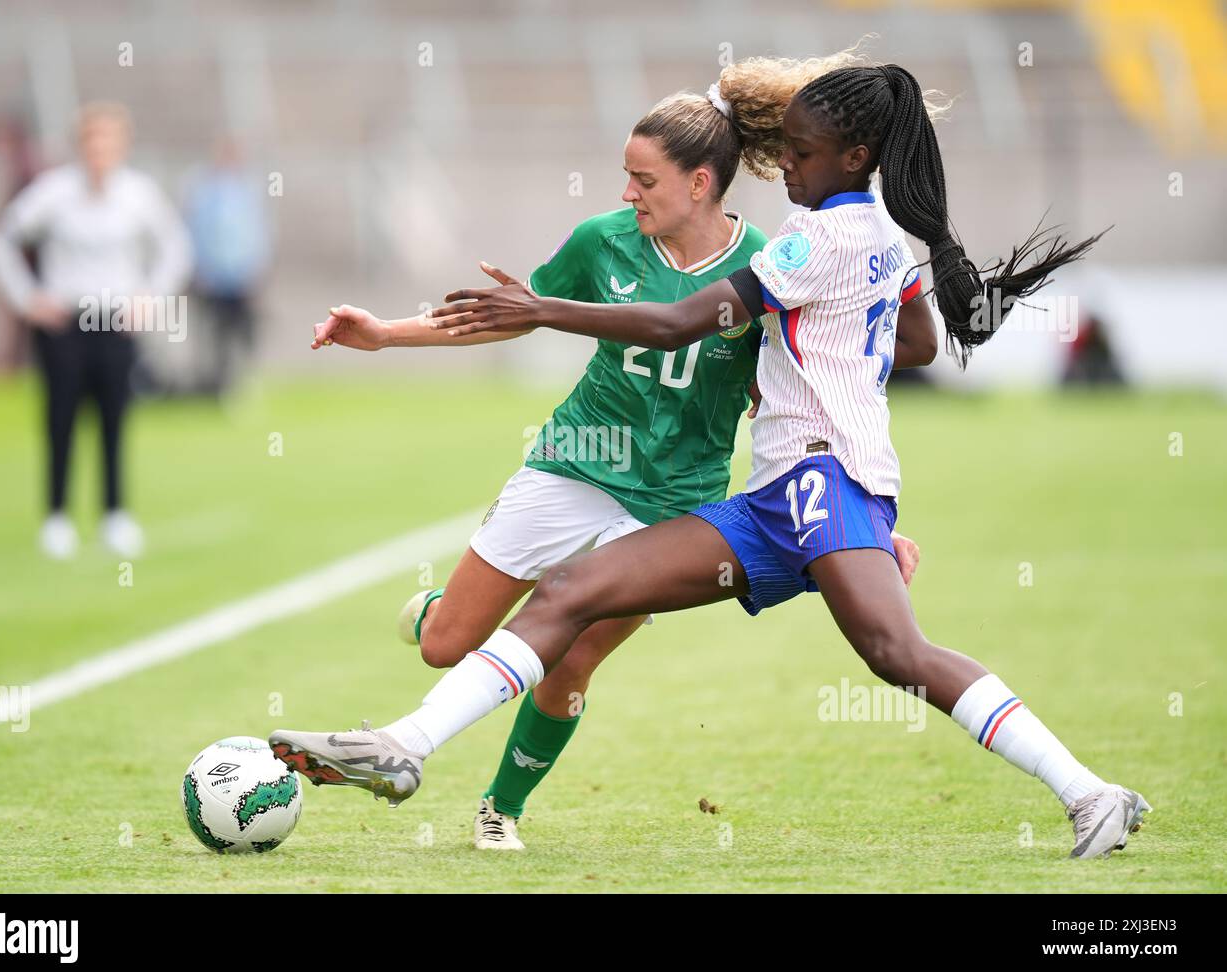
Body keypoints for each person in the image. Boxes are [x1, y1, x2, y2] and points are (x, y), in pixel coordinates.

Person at [272, 64, 1151, 861]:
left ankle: (1089, 793)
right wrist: (840, 367)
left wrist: (549, 313)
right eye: (783, 152)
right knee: (571, 593)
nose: (787, 171)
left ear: (855, 153)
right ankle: (402, 748)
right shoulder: (876, 233)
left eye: (801, 156)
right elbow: (913, 340)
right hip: (778, 497)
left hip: (816, 486)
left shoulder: (808, 241)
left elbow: (678, 322)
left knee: (896, 652)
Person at [300, 50, 922, 850]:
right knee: (444, 646)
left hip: (673, 500)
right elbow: (516, 311)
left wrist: (859, 522)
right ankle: (438, 614)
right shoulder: (603, 241)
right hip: (574, 463)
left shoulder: (768, 262)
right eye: (624, 176)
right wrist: (386, 335)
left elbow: (799, 385)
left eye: (644, 179)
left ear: (701, 183)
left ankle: (501, 809)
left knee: (573, 651)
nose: (627, 194)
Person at [0, 101, 192, 559]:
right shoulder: (54, 193)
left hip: (114, 322)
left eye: (109, 141)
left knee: (114, 417)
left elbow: (175, 247)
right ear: (81, 145)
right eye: (92, 141)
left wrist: (150, 298)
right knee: (60, 418)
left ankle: (115, 514)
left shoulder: (138, 193)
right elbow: (0, 240)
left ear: (122, 146)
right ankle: (56, 516)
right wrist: (27, 299)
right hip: (66, 322)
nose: (100, 151)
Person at [185, 136, 271, 396]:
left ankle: (242, 381)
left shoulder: (248, 193)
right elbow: (194, 232)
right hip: (213, 278)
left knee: (243, 331)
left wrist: (256, 271)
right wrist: (199, 269)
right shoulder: (203, 192)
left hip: (240, 277)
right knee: (213, 333)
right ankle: (213, 384)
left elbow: (259, 235)